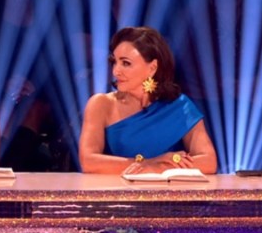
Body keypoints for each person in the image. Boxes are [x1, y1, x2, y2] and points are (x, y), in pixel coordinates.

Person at [78, 26, 217, 175]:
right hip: (117, 188)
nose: (116, 71)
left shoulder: (180, 107)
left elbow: (209, 162)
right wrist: (147, 163)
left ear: (152, 68)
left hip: (167, 189)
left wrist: (160, 167)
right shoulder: (101, 104)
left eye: (126, 63)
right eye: (114, 62)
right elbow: (88, 161)